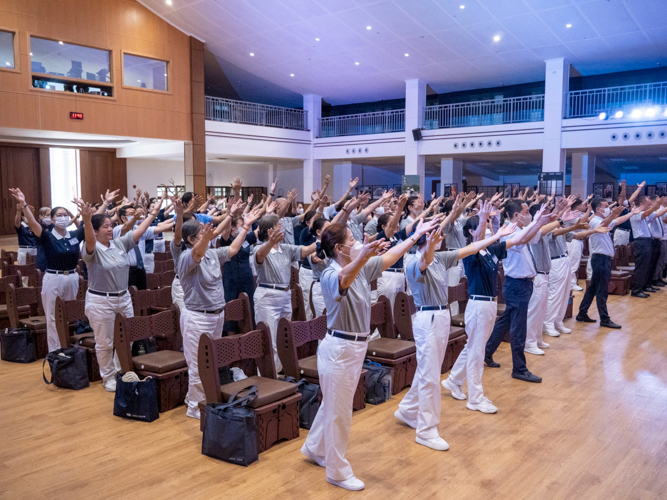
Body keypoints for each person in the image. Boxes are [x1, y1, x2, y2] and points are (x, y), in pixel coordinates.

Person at [301, 219, 437, 491]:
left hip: (354, 347)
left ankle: (314, 448)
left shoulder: (360, 267)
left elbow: (388, 257)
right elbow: (344, 278)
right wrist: (362, 256)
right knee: (340, 412)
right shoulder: (330, 274)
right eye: (352, 241)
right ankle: (337, 471)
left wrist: (414, 237)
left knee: (334, 404)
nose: (358, 243)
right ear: (339, 248)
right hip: (339, 349)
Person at [177, 207, 260, 419]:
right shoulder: (187, 257)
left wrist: (246, 227)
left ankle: (205, 398)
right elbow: (197, 253)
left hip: (216, 315)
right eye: (202, 233)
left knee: (209, 361)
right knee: (196, 363)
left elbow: (232, 249)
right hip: (197, 317)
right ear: (190, 238)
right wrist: (205, 240)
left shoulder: (212, 253)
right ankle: (195, 406)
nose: (209, 234)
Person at [442, 202, 521, 413]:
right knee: (477, 351)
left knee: (473, 347)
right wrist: (490, 225)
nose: (487, 229)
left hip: (488, 305)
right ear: (472, 231)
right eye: (483, 226)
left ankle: (453, 380)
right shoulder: (470, 251)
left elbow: (519, 239)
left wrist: (538, 222)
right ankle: (475, 398)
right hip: (478, 304)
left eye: (487, 225)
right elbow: (477, 242)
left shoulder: (491, 248)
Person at [80, 202, 157, 391]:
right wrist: (86, 220)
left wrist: (152, 215)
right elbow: (89, 240)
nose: (110, 229)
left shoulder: (118, 243)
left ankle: (119, 370)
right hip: (100, 300)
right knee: (105, 342)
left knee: (127, 337)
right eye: (105, 226)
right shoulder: (91, 248)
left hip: (123, 298)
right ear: (95, 231)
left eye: (110, 226)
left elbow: (139, 232)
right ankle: (107, 377)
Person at [484, 201, 556, 383]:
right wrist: (537, 221)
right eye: (526, 212)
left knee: (507, 321)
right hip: (516, 285)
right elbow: (522, 239)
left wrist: (541, 221)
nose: (528, 215)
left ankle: (486, 352)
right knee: (518, 328)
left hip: (522, 284)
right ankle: (519, 368)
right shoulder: (509, 231)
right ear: (517, 215)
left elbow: (533, 236)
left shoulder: (519, 229)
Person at [9, 190, 82, 352]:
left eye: (65, 214)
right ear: (53, 219)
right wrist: (24, 205)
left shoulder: (74, 235)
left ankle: (70, 350)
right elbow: (34, 223)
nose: (63, 217)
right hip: (53, 278)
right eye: (59, 215)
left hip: (72, 278)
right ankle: (55, 352)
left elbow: (90, 223)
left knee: (70, 315)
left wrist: (102, 205)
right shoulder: (47, 236)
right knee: (53, 317)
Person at [253, 215, 317, 371]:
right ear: (269, 230)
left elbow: (307, 250)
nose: (281, 228)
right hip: (267, 295)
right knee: (270, 337)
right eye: (278, 226)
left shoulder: (286, 248)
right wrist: (270, 242)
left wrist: (326, 239)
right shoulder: (259, 247)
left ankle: (281, 371)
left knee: (283, 336)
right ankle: (269, 375)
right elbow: (260, 256)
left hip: (285, 294)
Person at [576, 199, 638, 326]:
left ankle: (582, 313)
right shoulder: (595, 221)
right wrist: (613, 214)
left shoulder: (602, 220)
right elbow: (605, 223)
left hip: (603, 259)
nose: (608, 208)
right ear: (598, 209)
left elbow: (617, 221)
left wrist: (631, 213)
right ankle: (604, 319)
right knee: (602, 290)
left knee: (593, 288)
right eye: (605, 206)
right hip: (600, 259)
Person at [113, 205, 172, 289]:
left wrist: (176, 222)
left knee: (141, 294)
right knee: (130, 295)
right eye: (131, 214)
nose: (135, 216)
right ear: (124, 218)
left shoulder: (139, 228)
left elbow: (158, 228)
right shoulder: (117, 229)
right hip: (126, 270)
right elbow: (125, 228)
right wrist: (151, 215)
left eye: (135, 214)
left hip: (140, 269)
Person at [219, 213, 258, 331]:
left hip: (246, 277)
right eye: (241, 225)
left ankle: (249, 333)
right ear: (233, 227)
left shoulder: (246, 238)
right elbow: (225, 231)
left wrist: (266, 212)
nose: (243, 228)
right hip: (231, 278)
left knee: (249, 304)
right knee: (231, 305)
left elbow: (259, 230)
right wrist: (231, 212)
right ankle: (231, 336)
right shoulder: (226, 240)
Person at [629, 196, 667, 297]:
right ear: (642, 204)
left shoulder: (645, 214)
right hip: (640, 242)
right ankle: (636, 290)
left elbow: (658, 213)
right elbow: (646, 213)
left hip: (646, 241)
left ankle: (642, 287)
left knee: (646, 266)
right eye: (648, 204)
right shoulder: (636, 213)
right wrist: (656, 206)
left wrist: (658, 206)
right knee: (641, 267)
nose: (650, 206)